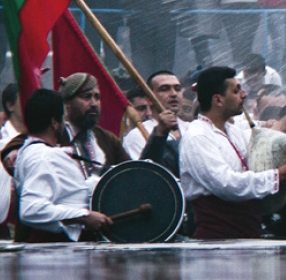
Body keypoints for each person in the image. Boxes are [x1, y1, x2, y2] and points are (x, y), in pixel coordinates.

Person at [180, 66, 286, 239]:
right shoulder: (197, 137)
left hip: (246, 235)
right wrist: (279, 175)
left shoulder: (233, 131)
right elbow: (226, 185)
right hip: (216, 242)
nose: (244, 94)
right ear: (218, 100)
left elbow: (260, 161)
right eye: (236, 91)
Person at [14, 89, 112, 243]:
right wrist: (84, 216)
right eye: (62, 119)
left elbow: (64, 194)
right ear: (54, 123)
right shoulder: (42, 156)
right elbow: (31, 209)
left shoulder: (34, 152)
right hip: (54, 253)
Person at [60, 73, 130, 182]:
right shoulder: (55, 136)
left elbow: (130, 174)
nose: (94, 104)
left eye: (97, 97)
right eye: (86, 96)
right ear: (67, 102)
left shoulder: (107, 139)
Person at [122, 71, 188, 176]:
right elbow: (144, 175)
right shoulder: (137, 135)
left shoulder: (193, 129)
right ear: (149, 99)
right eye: (165, 89)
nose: (174, 94)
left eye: (177, 89)